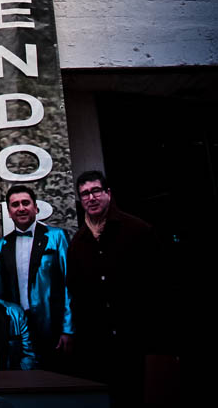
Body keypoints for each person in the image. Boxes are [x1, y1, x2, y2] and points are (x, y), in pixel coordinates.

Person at [67, 170, 166, 404]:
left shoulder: (138, 231)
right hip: (97, 344)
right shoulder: (78, 243)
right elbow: (76, 293)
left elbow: (159, 286)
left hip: (136, 338)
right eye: (85, 194)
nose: (91, 198)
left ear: (108, 193)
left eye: (96, 191)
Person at [0, 184, 73, 369]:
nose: (21, 208)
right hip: (18, 328)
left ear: (36, 208)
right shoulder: (1, 245)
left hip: (52, 324)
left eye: (25, 203)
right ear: (9, 212)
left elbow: (69, 283)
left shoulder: (57, 237)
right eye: (15, 205)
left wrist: (68, 328)